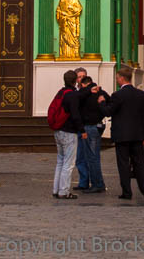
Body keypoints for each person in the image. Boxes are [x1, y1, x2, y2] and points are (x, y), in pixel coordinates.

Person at [98, 65, 144, 201]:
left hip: (122, 135)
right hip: (137, 135)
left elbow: (108, 111)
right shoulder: (141, 94)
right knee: (139, 164)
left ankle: (127, 192)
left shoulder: (118, 95)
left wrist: (101, 102)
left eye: (117, 78)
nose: (117, 80)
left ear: (122, 78)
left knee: (123, 164)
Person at [51, 69, 86, 200]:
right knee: (69, 163)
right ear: (75, 80)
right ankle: (64, 191)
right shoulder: (72, 95)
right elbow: (75, 115)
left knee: (60, 161)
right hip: (69, 132)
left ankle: (56, 189)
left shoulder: (61, 92)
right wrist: (82, 130)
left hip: (58, 130)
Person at [77, 76, 108, 193]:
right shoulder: (101, 92)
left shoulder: (84, 94)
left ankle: (97, 184)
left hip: (89, 126)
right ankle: (98, 183)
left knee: (92, 157)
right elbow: (109, 103)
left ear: (83, 84)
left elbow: (77, 99)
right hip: (97, 125)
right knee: (94, 156)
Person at [72, 66, 89, 191]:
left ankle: (85, 181)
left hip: (85, 127)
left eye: (83, 76)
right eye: (79, 77)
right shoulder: (75, 91)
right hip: (77, 127)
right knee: (80, 157)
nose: (81, 79)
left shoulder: (90, 91)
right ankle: (84, 181)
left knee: (84, 156)